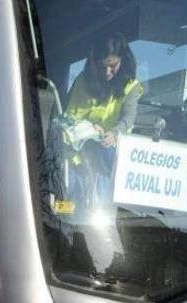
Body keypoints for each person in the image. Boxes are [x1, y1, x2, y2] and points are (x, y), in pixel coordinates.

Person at [65, 33, 142, 205]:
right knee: (66, 206)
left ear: (123, 60)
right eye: (102, 66)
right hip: (76, 156)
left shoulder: (132, 86)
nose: (107, 72)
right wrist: (91, 130)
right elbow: (67, 117)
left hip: (107, 159)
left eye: (113, 66)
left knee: (103, 209)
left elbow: (128, 118)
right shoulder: (82, 81)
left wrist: (113, 134)